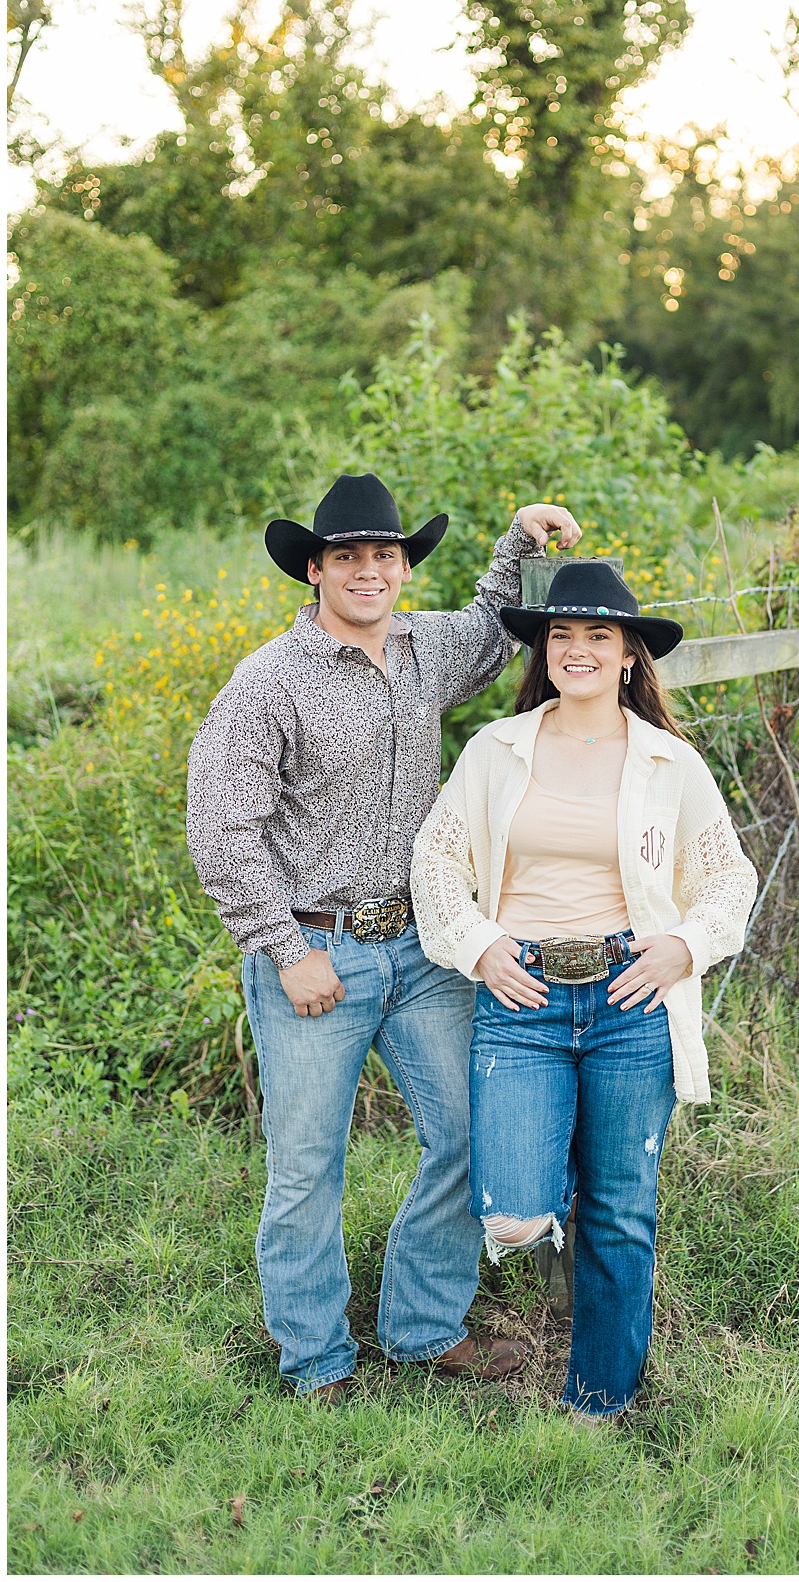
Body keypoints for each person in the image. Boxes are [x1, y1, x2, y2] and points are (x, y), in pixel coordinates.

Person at [186, 472, 581, 1404]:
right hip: (314, 949)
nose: (369, 570)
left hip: (422, 947)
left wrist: (520, 539)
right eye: (349, 556)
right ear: (315, 570)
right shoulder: (268, 682)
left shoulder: (422, 647)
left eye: (386, 555)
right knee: (308, 1166)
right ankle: (318, 1361)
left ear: (403, 566)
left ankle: (422, 1327)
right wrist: (286, 950)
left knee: (468, 1133)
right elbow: (221, 826)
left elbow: (492, 626)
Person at [411, 559, 757, 1422]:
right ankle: (558, 1158)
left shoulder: (669, 764)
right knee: (517, 1214)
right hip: (521, 993)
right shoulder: (499, 749)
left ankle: (599, 1400)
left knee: (621, 1211)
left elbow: (727, 877)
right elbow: (437, 858)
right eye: (562, 635)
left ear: (631, 655)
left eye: (598, 635)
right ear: (545, 651)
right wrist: (480, 945)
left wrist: (684, 945)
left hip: (629, 998)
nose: (578, 650)